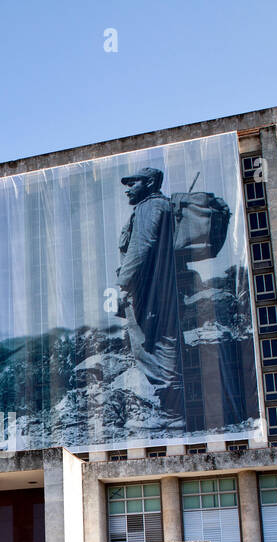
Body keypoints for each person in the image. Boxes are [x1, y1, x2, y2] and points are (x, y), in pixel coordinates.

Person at [116, 166, 183, 413]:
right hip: (159, 287)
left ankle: (171, 411)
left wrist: (124, 283)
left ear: (150, 183)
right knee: (159, 342)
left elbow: (140, 247)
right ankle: (172, 407)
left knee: (151, 345)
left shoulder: (149, 207)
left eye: (133, 184)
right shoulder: (160, 206)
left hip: (148, 290)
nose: (128, 190)